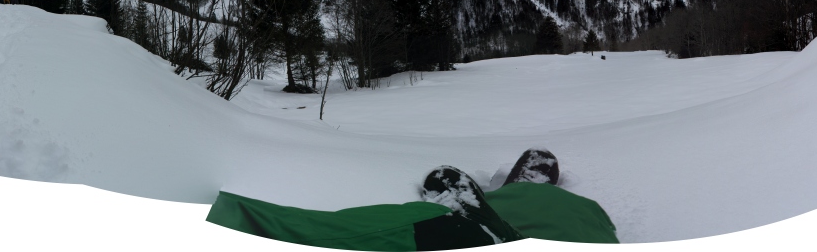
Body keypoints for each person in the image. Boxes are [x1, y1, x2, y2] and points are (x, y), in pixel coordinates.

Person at [207, 148, 619, 250]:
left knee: (335, 232)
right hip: (579, 234)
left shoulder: (505, 197)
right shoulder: (587, 212)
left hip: (476, 218)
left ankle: (226, 223)